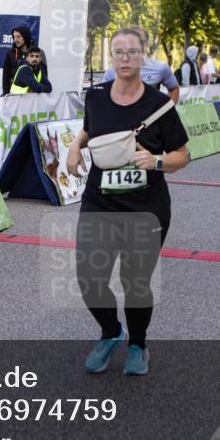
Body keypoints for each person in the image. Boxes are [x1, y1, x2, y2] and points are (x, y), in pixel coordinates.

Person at [66, 27, 189, 376]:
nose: (124, 58)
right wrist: (76, 146)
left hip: (146, 206)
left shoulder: (160, 104)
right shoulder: (96, 96)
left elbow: (183, 155)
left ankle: (137, 344)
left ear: (143, 56)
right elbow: (91, 130)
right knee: (89, 276)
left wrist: (157, 161)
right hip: (100, 201)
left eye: (131, 52)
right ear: (111, 57)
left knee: (136, 281)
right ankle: (110, 331)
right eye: (118, 52)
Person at [102, 27, 180, 104]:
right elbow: (102, 95)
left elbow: (173, 88)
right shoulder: (112, 71)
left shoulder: (160, 68)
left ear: (145, 45)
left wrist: (167, 111)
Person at [1, 26, 32, 95]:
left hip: (31, 96)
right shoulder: (10, 53)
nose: (15, 40)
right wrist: (6, 95)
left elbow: (43, 75)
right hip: (14, 95)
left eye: (18, 37)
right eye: (14, 37)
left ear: (25, 37)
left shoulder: (36, 53)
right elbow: (5, 77)